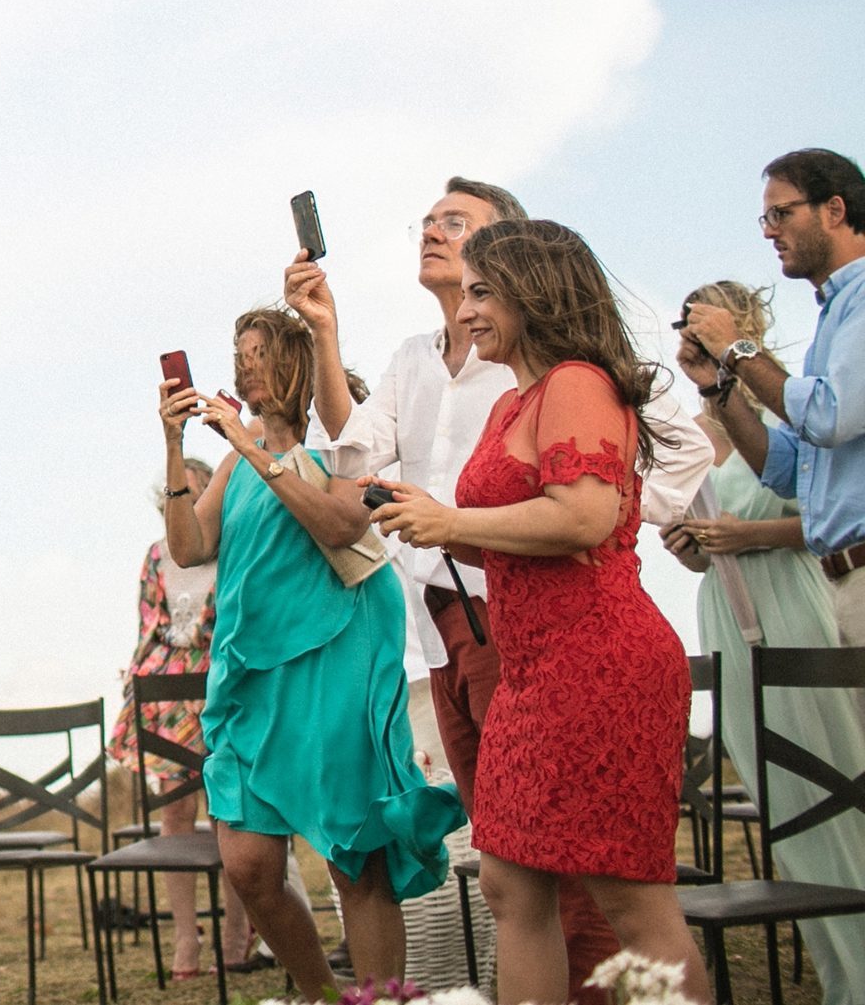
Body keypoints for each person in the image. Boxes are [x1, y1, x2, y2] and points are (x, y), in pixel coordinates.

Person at [286, 176, 710, 1004]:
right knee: (512, 885)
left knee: (628, 898)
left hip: (596, 660)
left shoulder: (580, 382)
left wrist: (452, 524)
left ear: (533, 291)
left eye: (484, 292)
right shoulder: (515, 397)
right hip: (526, 664)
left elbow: (588, 513)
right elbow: (467, 504)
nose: (469, 308)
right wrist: (431, 517)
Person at [161, 307, 464, 1000]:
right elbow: (189, 547)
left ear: (296, 359)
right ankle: (324, 992)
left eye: (259, 352)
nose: (245, 368)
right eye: (239, 354)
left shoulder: (343, 440)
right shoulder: (236, 459)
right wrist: (176, 444)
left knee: (357, 859)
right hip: (251, 672)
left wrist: (254, 444)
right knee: (248, 864)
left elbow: (338, 521)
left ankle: (378, 998)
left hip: (339, 657)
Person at [663, 279, 865, 1001]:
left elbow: (829, 517)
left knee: (831, 782)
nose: (688, 333)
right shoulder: (691, 425)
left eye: (701, 322)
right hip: (723, 604)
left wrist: (745, 534)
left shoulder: (788, 405)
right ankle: (836, 968)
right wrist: (689, 543)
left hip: (793, 600)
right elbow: (696, 544)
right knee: (780, 797)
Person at [683, 148, 865, 644]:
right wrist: (715, 383)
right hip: (844, 583)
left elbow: (828, 414)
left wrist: (737, 349)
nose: (768, 231)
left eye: (780, 214)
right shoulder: (836, 315)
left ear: (834, 210)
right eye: (766, 217)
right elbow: (786, 471)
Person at [107, 459, 257, 977]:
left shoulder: (232, 551)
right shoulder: (155, 557)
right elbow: (150, 623)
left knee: (228, 814)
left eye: (199, 493)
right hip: (168, 692)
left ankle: (237, 936)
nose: (189, 504)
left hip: (222, 684)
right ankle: (185, 939)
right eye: (180, 495)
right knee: (174, 811)